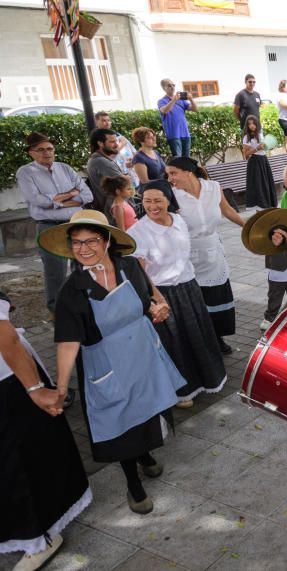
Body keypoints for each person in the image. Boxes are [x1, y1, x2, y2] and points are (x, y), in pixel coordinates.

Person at [43, 210, 183, 514]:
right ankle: (133, 484)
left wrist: (157, 308)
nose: (83, 249)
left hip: (142, 355)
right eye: (76, 243)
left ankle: (145, 456)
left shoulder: (129, 267)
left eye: (91, 240)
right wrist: (62, 388)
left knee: (145, 410)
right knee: (121, 424)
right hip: (107, 366)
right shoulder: (72, 290)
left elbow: (148, 298)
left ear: (107, 240)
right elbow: (68, 342)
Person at [0, 288, 91, 570]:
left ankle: (40, 537)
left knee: (16, 463)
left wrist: (35, 389)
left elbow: (8, 340)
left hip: (9, 381)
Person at [128, 181, 227, 408]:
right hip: (162, 293)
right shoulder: (138, 232)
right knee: (174, 342)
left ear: (168, 200)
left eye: (158, 200)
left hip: (188, 287)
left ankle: (207, 379)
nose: (152, 206)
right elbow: (139, 272)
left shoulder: (179, 220)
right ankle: (182, 391)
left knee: (197, 335)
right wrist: (156, 297)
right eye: (147, 201)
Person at [167, 156, 244, 352]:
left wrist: (250, 227)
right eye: (168, 174)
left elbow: (227, 210)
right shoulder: (172, 195)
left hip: (213, 251)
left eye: (173, 173)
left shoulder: (213, 187)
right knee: (197, 300)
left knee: (216, 297)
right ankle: (202, 342)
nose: (170, 178)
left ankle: (217, 339)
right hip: (188, 253)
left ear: (188, 172)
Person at [16, 132, 93, 313]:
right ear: (31, 153)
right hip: (50, 226)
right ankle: (58, 311)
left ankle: (86, 304)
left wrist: (55, 201)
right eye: (40, 149)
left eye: (50, 148)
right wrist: (72, 194)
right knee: (55, 273)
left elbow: (87, 195)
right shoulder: (26, 172)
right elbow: (39, 201)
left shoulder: (64, 168)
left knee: (83, 265)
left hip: (76, 223)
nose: (47, 153)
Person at [86, 128, 128, 218]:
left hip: (117, 210)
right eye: (112, 142)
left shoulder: (100, 159)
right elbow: (125, 183)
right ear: (100, 143)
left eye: (116, 141)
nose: (116, 144)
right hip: (117, 212)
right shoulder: (101, 161)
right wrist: (127, 178)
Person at [242, 114, 277, 210]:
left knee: (266, 185)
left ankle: (267, 208)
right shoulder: (246, 137)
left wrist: (269, 146)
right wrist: (257, 148)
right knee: (258, 187)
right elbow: (245, 155)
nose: (252, 125)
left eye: (253, 123)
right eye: (249, 124)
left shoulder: (260, 134)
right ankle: (259, 212)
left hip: (263, 161)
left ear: (257, 123)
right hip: (254, 163)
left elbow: (264, 148)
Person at [157, 79, 197, 157]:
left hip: (185, 134)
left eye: (173, 85)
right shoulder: (161, 101)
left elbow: (195, 109)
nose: (172, 87)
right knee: (178, 160)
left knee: (187, 159)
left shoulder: (181, 100)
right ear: (163, 88)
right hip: (173, 135)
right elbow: (165, 110)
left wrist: (191, 99)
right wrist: (174, 100)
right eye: (169, 85)